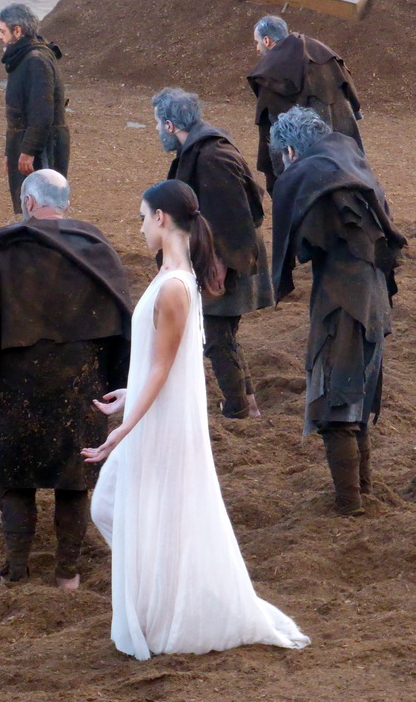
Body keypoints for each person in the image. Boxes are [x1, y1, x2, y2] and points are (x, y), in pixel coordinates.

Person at [82, 180, 310, 658]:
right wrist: (130, 392)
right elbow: (164, 361)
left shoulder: (172, 287)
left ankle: (164, 606)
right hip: (156, 416)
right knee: (118, 508)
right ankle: (157, 599)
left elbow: (165, 366)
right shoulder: (177, 277)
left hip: (158, 426)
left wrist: (124, 427)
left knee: (120, 508)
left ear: (162, 219)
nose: (141, 226)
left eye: (143, 216)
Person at [0, 169, 131, 587]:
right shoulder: (98, 253)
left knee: (13, 478)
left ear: (27, 202)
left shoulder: (1, 254)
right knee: (74, 479)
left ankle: (17, 569)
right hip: (82, 386)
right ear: (66, 203)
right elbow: (123, 327)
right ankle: (68, 573)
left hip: (17, 386)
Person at [269, 106, 407, 516]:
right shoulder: (351, 163)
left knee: (337, 403)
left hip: (344, 301)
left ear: (292, 151)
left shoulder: (316, 177)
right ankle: (360, 492)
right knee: (355, 400)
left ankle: (350, 505)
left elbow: (307, 246)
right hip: (374, 296)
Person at [152, 87, 274, 418]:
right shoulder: (203, 151)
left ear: (168, 124)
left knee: (218, 336)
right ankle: (246, 403)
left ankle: (239, 410)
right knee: (223, 333)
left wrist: (220, 265)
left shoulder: (210, 157)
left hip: (227, 259)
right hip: (226, 255)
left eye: (157, 124)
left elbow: (233, 215)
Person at [247, 15, 364, 193]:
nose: (256, 48)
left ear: (267, 40)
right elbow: (348, 88)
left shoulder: (270, 70)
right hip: (344, 146)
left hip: (305, 159)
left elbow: (270, 122)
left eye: (257, 42)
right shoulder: (321, 52)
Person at [0, 3, 69, 215]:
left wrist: (28, 151)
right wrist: (10, 152)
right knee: (30, 207)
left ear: (17, 31)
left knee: (43, 208)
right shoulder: (25, 58)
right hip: (30, 143)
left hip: (43, 147)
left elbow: (41, 112)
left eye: (2, 31)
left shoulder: (35, 61)